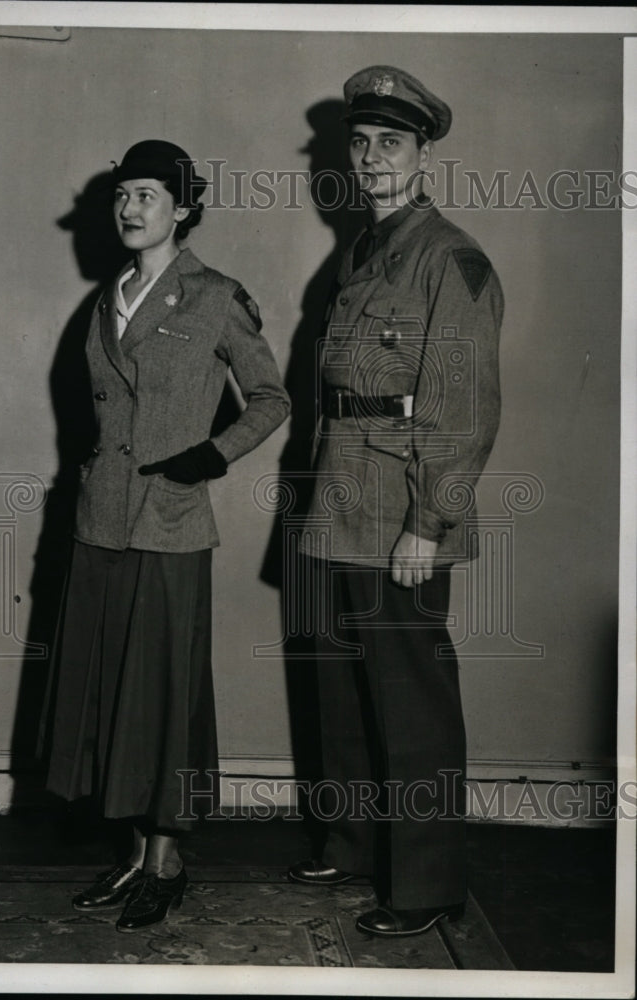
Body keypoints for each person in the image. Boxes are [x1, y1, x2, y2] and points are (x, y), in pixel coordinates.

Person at [45, 139, 290, 932]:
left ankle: (168, 859)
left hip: (170, 523)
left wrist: (208, 456)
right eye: (122, 195)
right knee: (111, 691)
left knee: (165, 695)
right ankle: (131, 853)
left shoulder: (214, 295)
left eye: (146, 195)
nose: (129, 209)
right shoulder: (105, 297)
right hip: (98, 523)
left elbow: (269, 397)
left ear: (183, 207)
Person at [288, 66, 503, 937]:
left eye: (392, 143)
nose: (373, 158)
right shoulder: (364, 252)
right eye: (362, 141)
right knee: (342, 690)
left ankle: (423, 887)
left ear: (422, 154)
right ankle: (353, 845)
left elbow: (465, 408)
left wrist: (428, 521)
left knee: (409, 702)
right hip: (340, 494)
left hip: (401, 508)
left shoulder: (448, 258)